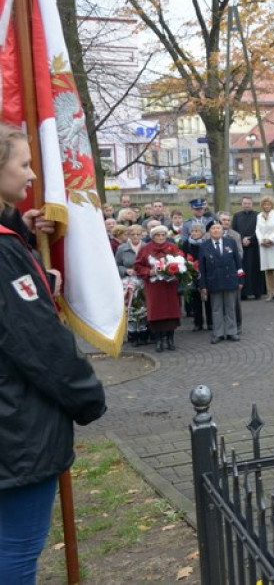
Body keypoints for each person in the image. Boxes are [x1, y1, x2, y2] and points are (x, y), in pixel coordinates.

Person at [0, 125, 106, 583]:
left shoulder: (9, 241)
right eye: (23, 164)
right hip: (15, 431)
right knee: (16, 554)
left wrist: (21, 235)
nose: (31, 177)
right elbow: (39, 344)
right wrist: (88, 397)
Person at [134, 225, 185, 353]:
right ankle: (158, 340)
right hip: (154, 286)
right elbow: (138, 266)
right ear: (153, 237)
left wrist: (176, 270)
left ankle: (170, 339)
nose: (161, 237)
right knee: (156, 313)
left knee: (171, 312)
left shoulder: (172, 247)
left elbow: (181, 262)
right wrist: (149, 272)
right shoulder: (146, 249)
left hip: (170, 286)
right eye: (158, 235)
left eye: (163, 235)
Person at [200, 222, 243, 343]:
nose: (216, 230)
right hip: (214, 281)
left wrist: (241, 279)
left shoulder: (231, 243)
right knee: (216, 308)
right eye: (213, 228)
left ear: (222, 229)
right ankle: (218, 333)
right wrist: (202, 285)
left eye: (218, 228)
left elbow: (238, 263)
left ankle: (232, 332)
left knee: (230, 307)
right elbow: (201, 268)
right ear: (209, 231)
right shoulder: (204, 246)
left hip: (230, 280)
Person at [232, 196, 267, 300]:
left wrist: (251, 239)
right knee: (244, 268)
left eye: (248, 203)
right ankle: (244, 292)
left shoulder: (258, 215)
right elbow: (235, 229)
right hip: (241, 245)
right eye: (245, 203)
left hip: (255, 245)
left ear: (252, 204)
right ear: (242, 204)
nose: (246, 205)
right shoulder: (237, 216)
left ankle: (258, 291)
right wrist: (242, 239)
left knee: (255, 269)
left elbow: (260, 229)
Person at [256, 196, 274, 302]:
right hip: (264, 245)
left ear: (272, 205)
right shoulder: (259, 216)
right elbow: (257, 229)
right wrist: (262, 240)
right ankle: (270, 292)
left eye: (268, 204)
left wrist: (271, 239)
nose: (266, 206)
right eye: (264, 204)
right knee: (267, 269)